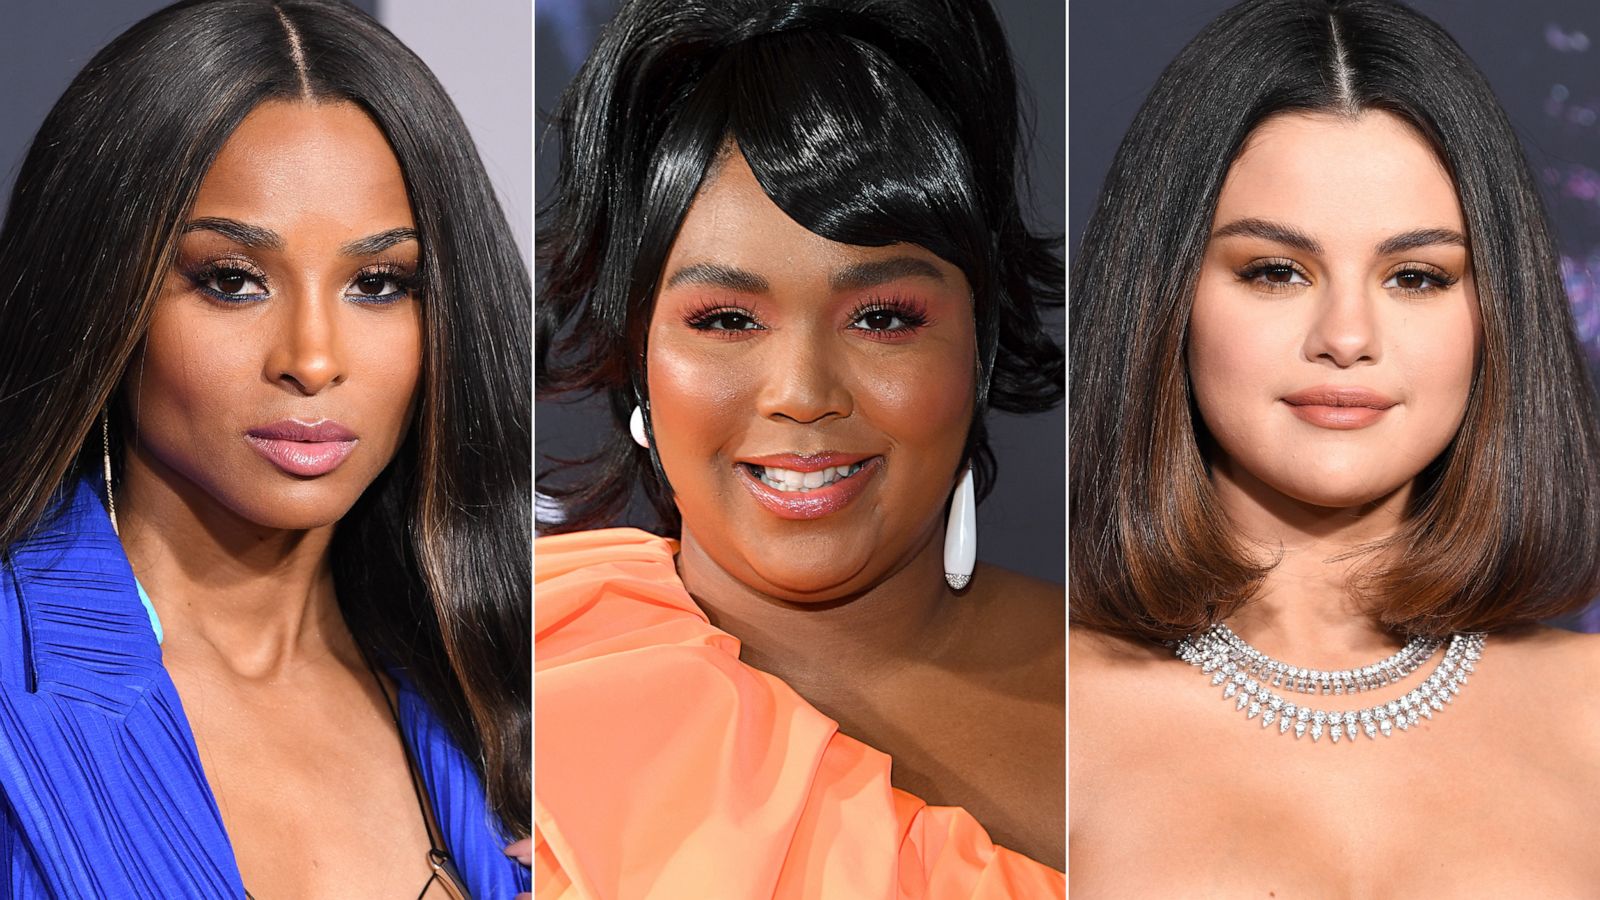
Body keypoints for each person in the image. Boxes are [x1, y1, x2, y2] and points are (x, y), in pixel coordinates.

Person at [534, 0, 1066, 894]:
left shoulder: (1173, 710)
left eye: (883, 317)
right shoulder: (514, 674)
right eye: (728, 320)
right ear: (638, 359)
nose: (803, 395)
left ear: (980, 344)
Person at [0, 1, 531, 896]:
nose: (313, 360)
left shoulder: (512, 686)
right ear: (102, 294)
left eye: (378, 283)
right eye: (231, 280)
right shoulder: (21, 692)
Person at [1069, 0, 1600, 893]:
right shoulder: (1053, 710)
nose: (1347, 335)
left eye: (1416, 276)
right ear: (1167, 297)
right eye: (1276, 271)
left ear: (1494, 314)